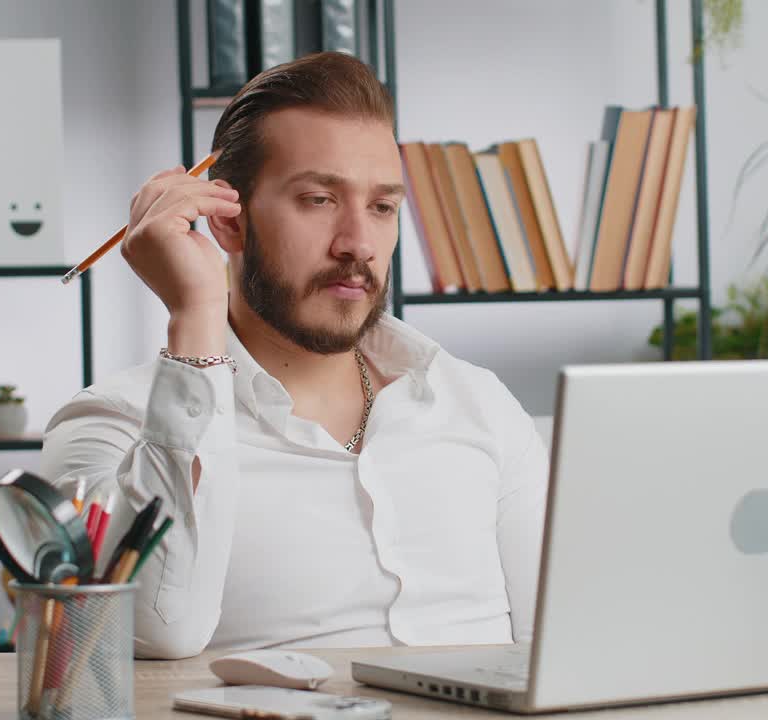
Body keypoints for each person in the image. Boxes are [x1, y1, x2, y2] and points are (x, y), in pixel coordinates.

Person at [39, 51, 548, 660]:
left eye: (382, 207)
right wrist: (195, 313)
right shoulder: (108, 425)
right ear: (227, 222)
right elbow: (157, 629)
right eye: (318, 199)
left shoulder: (479, 403)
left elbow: (562, 646)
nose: (358, 243)